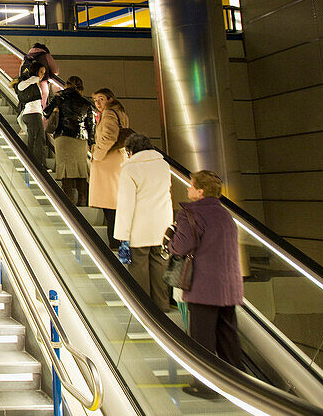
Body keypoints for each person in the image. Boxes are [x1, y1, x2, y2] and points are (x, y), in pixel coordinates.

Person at [170, 169, 245, 399]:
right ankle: (239, 386)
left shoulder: (190, 214)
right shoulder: (225, 215)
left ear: (200, 192)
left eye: (191, 186)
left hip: (203, 287)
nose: (188, 189)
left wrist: (170, 243)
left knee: (202, 340)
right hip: (228, 287)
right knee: (227, 337)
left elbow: (181, 246)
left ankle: (206, 387)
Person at [114, 133, 173, 310]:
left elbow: (126, 205)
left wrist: (122, 234)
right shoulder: (163, 165)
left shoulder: (130, 169)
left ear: (130, 151)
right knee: (159, 268)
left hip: (139, 229)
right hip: (161, 227)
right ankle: (162, 307)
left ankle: (143, 309)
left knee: (139, 270)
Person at [43, 75, 94, 206]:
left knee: (66, 168)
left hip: (63, 136)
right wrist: (91, 142)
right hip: (80, 138)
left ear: (66, 85)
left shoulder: (60, 98)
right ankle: (83, 200)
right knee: (81, 169)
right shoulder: (86, 102)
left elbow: (46, 112)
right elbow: (90, 124)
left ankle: (69, 201)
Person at [88, 88, 128, 249]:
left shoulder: (109, 113)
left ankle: (114, 242)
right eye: (95, 100)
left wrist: (96, 154)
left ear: (110, 99)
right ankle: (117, 240)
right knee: (114, 204)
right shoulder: (120, 112)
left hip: (108, 162)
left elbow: (109, 136)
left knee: (110, 206)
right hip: (116, 159)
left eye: (101, 99)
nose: (97, 103)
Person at [13, 60, 48, 168]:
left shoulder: (34, 83)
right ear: (36, 71)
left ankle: (32, 163)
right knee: (39, 138)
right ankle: (39, 165)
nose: (43, 75)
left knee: (33, 138)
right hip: (32, 114)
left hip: (33, 113)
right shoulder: (29, 81)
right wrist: (34, 78)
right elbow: (20, 86)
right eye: (41, 72)